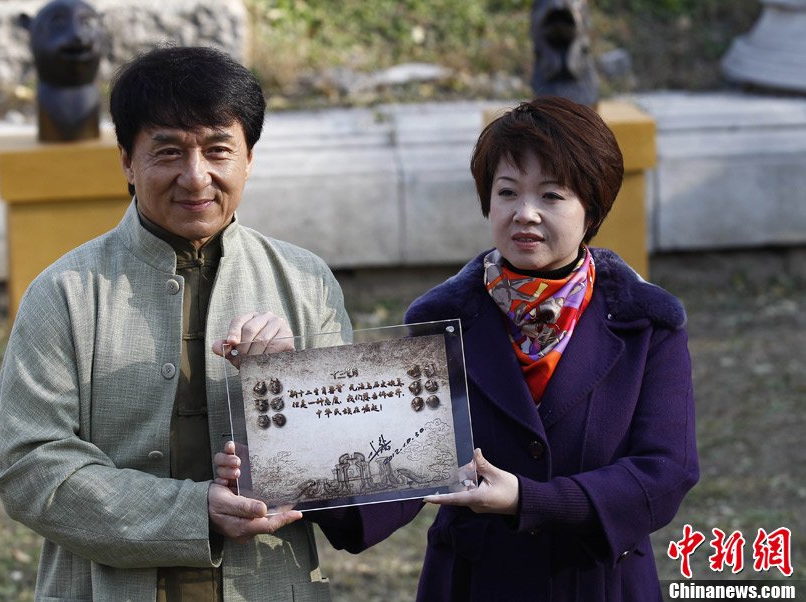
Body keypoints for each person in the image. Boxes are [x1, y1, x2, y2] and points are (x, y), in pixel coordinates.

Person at [269, 96, 699, 601]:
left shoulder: (645, 322)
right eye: (507, 192)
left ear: (592, 208)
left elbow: (665, 472)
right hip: (474, 582)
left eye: (552, 195)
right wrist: (290, 456)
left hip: (599, 582)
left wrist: (529, 499)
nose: (525, 214)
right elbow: (400, 463)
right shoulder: (440, 319)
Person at [0, 45, 352, 602]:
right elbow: (28, 464)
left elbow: (354, 457)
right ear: (126, 162)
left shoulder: (305, 282)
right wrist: (191, 512)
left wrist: (294, 380)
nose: (195, 176)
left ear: (249, 159)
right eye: (169, 152)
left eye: (218, 150)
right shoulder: (64, 293)